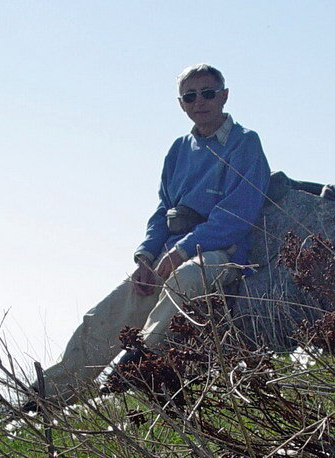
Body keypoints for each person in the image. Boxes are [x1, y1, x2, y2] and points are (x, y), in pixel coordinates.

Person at [27, 64, 271, 408]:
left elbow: (237, 214)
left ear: (224, 96)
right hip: (171, 252)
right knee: (107, 313)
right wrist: (145, 258)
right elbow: (163, 211)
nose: (199, 101)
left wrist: (183, 251)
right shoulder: (178, 150)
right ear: (181, 103)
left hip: (220, 252)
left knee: (184, 280)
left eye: (208, 93)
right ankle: (47, 397)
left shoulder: (244, 143)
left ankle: (134, 374)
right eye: (190, 95)